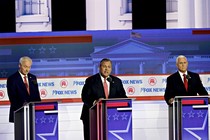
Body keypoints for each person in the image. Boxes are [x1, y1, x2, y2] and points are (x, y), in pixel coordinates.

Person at [80, 58, 127, 140]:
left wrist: (126, 102)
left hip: (111, 117)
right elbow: (85, 97)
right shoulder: (91, 80)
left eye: (109, 67)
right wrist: (95, 102)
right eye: (104, 66)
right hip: (91, 117)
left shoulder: (116, 81)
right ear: (99, 67)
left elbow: (123, 97)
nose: (106, 69)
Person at [164, 55, 208, 140]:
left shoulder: (195, 76)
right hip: (179, 113)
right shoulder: (171, 78)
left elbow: (203, 92)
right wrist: (170, 100)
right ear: (177, 65)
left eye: (184, 63)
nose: (183, 65)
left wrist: (207, 98)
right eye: (181, 63)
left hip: (196, 112)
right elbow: (167, 95)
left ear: (187, 64)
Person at [7, 56, 41, 123]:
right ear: (19, 65)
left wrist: (39, 109)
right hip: (19, 113)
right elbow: (13, 99)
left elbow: (37, 95)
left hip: (32, 113)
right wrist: (24, 107)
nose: (27, 69)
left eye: (29, 67)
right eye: (25, 66)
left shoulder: (33, 78)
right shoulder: (12, 79)